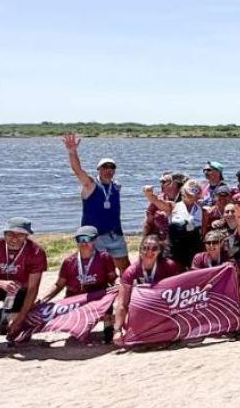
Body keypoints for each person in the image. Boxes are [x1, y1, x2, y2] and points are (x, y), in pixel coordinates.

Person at [0, 218, 48, 357]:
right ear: (4, 233)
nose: (14, 239)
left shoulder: (36, 252)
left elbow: (33, 289)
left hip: (20, 291)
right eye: (10, 234)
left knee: (17, 335)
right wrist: (0, 283)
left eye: (20, 234)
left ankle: (3, 316)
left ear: (27, 235)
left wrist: (20, 319)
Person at [39, 225, 119, 344]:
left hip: (97, 299)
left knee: (107, 300)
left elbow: (113, 278)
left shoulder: (105, 258)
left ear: (96, 240)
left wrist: (119, 283)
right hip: (75, 300)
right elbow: (59, 285)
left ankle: (108, 331)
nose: (83, 243)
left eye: (87, 239)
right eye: (79, 239)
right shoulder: (69, 262)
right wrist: (43, 300)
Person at [61, 133, 128, 272]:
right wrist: (72, 152)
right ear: (99, 170)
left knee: (126, 268)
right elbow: (78, 170)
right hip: (95, 237)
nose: (108, 170)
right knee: (98, 269)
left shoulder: (116, 186)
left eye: (111, 167)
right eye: (105, 167)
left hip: (115, 234)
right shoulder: (90, 185)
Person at [114, 235, 182, 345]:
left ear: (159, 251)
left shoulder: (169, 266)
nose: (149, 252)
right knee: (128, 323)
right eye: (145, 248)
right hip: (140, 311)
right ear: (140, 250)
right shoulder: (130, 272)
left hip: (163, 309)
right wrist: (117, 331)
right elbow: (122, 303)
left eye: (154, 248)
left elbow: (180, 294)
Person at [146, 178, 204, 268]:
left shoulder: (201, 209)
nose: (189, 197)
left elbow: (203, 230)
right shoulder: (173, 206)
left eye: (192, 195)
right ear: (183, 193)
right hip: (174, 247)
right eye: (187, 194)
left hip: (193, 246)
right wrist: (149, 195)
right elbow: (157, 201)